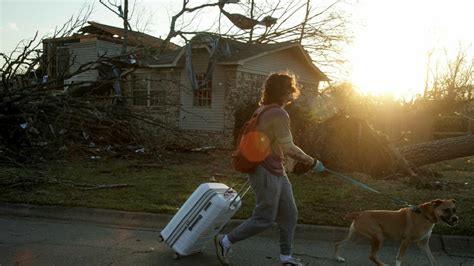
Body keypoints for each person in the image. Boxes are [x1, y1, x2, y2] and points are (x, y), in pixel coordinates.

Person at [215, 72, 324, 266]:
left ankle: (286, 258)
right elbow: (290, 147)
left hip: (275, 170)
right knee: (265, 218)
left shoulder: (264, 110)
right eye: (291, 88)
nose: (294, 92)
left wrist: (286, 162)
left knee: (289, 214)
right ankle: (225, 241)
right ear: (284, 91)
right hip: (264, 170)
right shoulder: (278, 113)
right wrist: (312, 162)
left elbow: (278, 143)